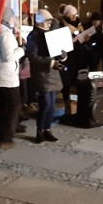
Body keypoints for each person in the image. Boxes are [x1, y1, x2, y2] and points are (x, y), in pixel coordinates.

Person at [0, 7, 25, 148]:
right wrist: (21, 49)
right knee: (13, 105)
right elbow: (8, 56)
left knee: (1, 107)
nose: (14, 20)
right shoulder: (5, 34)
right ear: (7, 17)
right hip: (7, 76)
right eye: (13, 17)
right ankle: (6, 138)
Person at [27, 9, 65, 143]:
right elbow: (32, 57)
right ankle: (39, 131)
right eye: (47, 21)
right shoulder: (33, 35)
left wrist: (62, 56)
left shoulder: (50, 33)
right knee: (46, 104)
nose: (49, 23)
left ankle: (47, 129)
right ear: (40, 21)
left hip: (53, 73)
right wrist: (51, 62)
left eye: (50, 21)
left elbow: (56, 51)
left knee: (52, 104)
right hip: (42, 74)